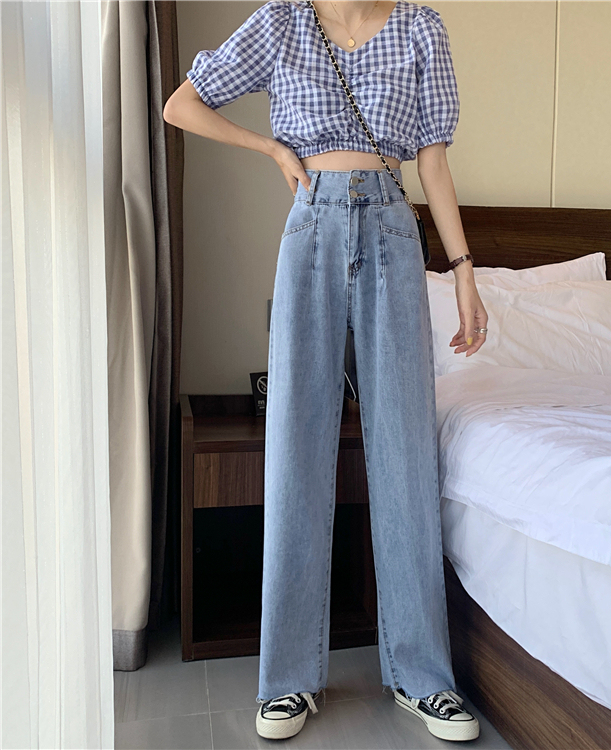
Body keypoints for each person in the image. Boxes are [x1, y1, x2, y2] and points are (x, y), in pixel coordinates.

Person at [164, 0, 489, 741]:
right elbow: (181, 105)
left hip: (392, 228)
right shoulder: (282, 22)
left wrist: (465, 271)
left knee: (405, 452)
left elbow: (433, 158)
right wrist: (270, 148)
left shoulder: (419, 28)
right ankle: (286, 679)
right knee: (296, 448)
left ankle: (422, 677)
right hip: (311, 227)